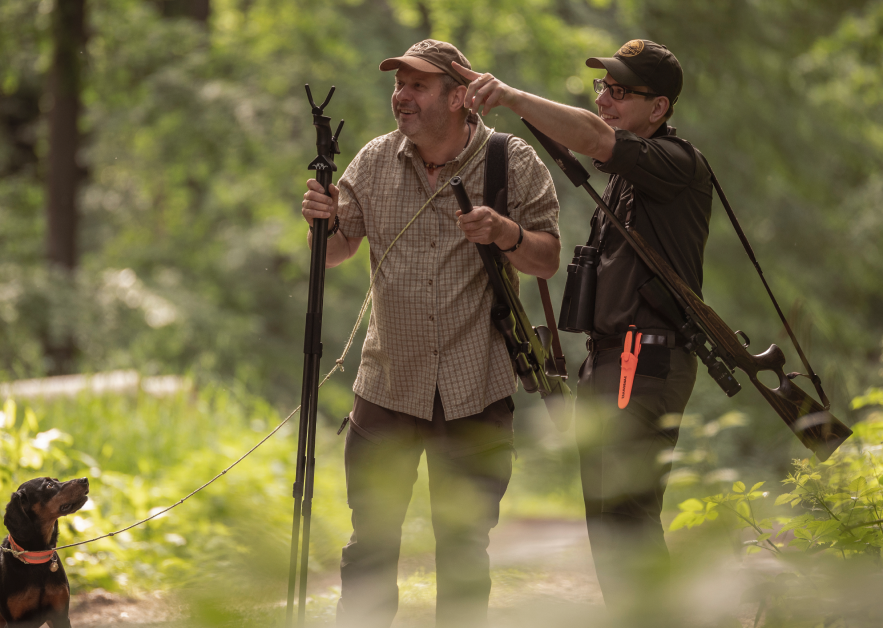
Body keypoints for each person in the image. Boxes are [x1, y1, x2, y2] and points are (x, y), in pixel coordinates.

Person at [300, 39, 560, 627]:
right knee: (370, 545)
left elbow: (546, 260)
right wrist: (321, 220)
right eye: (399, 84)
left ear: (460, 96)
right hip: (388, 385)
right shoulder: (371, 161)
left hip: (478, 387)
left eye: (417, 85)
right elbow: (337, 251)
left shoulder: (511, 163)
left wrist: (504, 233)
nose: (401, 97)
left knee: (464, 551)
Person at [454, 40, 712, 612]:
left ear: (659, 107)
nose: (606, 100)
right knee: (607, 520)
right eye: (603, 87)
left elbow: (596, 140)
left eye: (621, 92)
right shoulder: (625, 178)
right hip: (612, 362)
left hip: (644, 360)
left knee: (627, 518)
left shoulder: (675, 165)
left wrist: (510, 96)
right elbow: (600, 145)